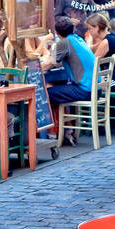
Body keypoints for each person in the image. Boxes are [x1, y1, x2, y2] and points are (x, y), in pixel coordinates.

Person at [40, 15, 97, 144]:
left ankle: (52, 134)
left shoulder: (64, 42)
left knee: (47, 94)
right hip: (93, 87)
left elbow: (48, 64)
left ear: (58, 33)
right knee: (56, 92)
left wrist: (32, 65)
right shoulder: (78, 39)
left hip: (84, 89)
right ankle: (65, 131)